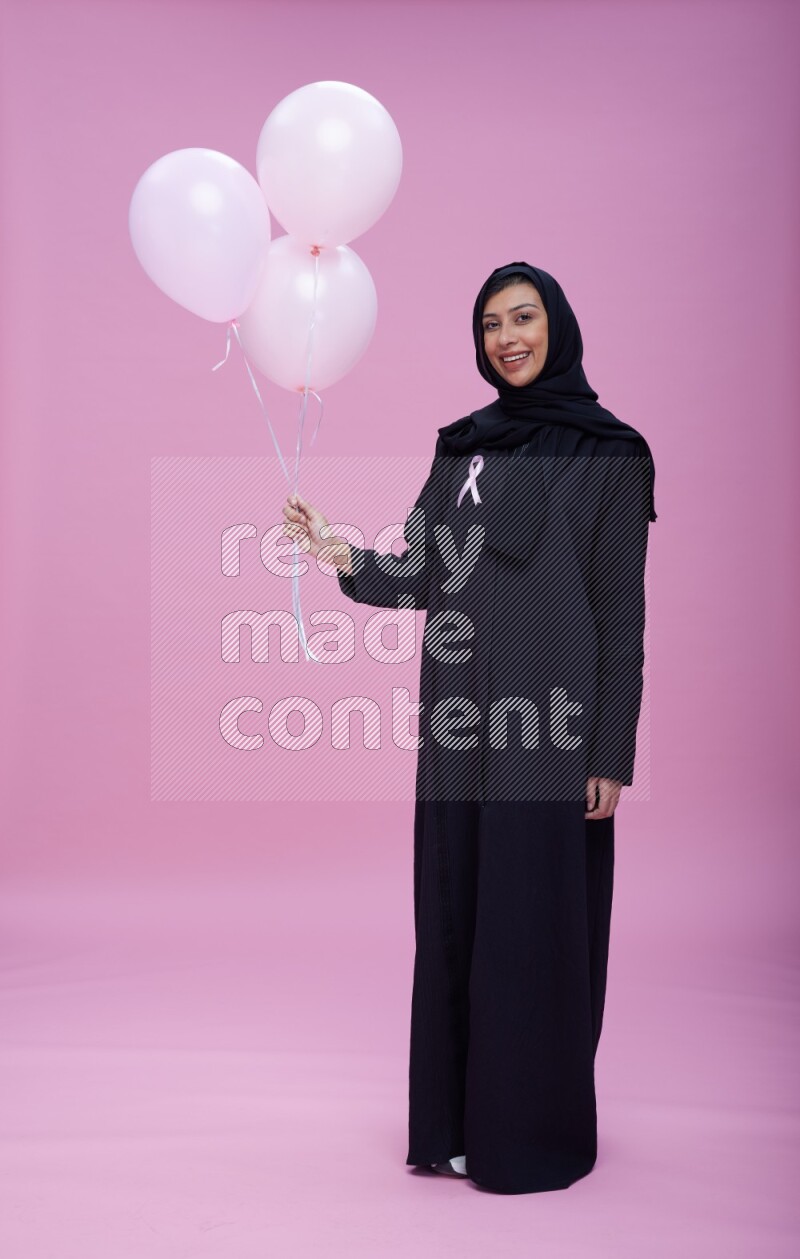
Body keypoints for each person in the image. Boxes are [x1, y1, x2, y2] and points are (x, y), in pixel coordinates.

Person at [282, 262, 657, 1194]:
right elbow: (419, 571)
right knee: (457, 919)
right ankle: (453, 1126)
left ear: (557, 325)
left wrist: (612, 750)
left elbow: (620, 608)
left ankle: (528, 1136)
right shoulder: (463, 447)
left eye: (523, 318)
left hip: (553, 731)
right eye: (491, 324)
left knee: (532, 934)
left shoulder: (612, 453)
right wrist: (341, 552)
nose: (507, 338)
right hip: (458, 725)